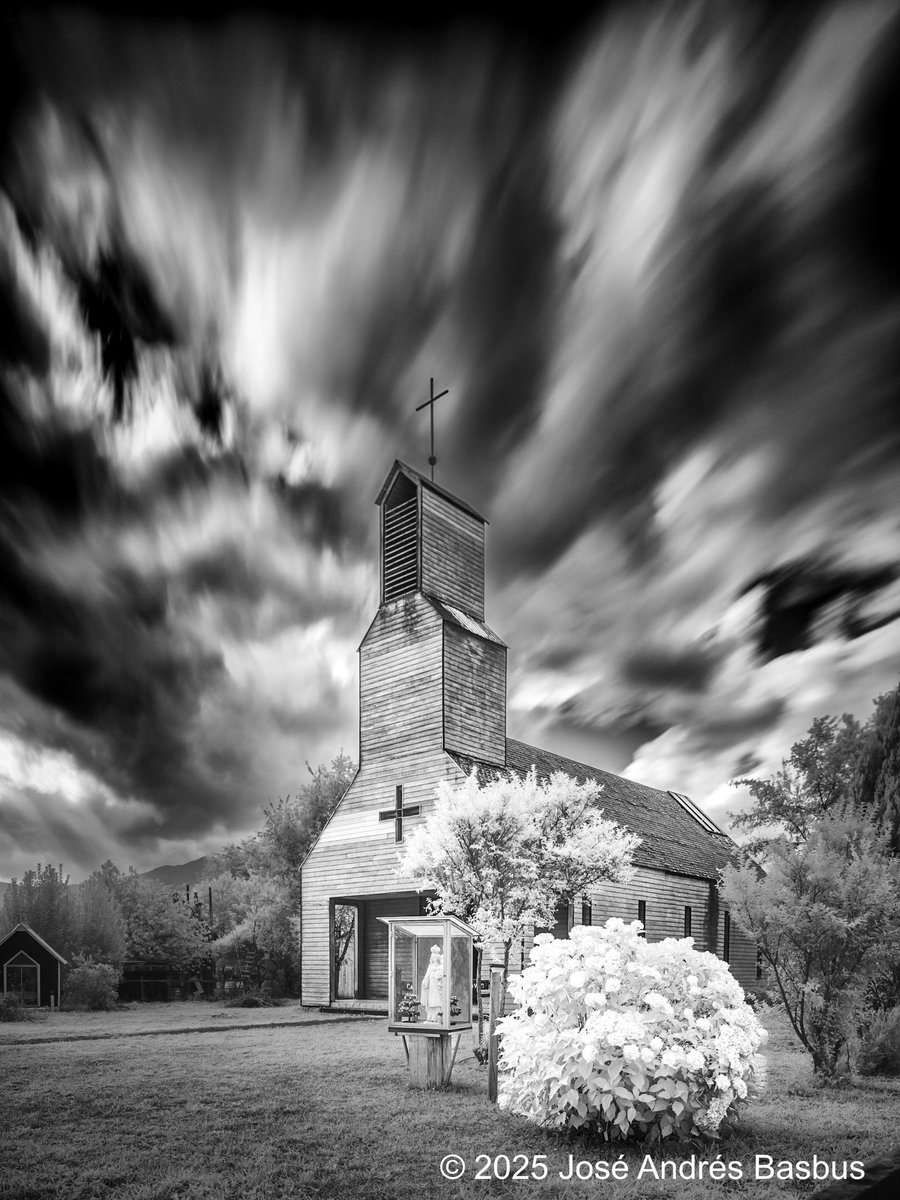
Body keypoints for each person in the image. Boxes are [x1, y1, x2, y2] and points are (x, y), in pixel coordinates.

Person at [420, 945, 444, 1021]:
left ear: (437, 958)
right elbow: (427, 975)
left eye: (435, 957)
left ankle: (437, 1017)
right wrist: (424, 981)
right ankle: (430, 1017)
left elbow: (441, 975)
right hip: (431, 986)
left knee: (436, 1001)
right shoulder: (430, 966)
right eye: (432, 957)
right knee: (430, 1002)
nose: (433, 959)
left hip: (437, 986)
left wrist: (437, 974)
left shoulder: (441, 966)